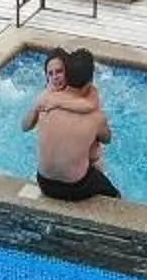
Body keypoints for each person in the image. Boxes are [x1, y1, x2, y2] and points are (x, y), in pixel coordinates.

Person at [25, 45, 117, 202]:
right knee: (114, 194)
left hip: (44, 182)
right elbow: (107, 139)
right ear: (90, 80)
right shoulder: (95, 115)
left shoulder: (46, 100)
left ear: (67, 75)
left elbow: (26, 126)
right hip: (75, 187)